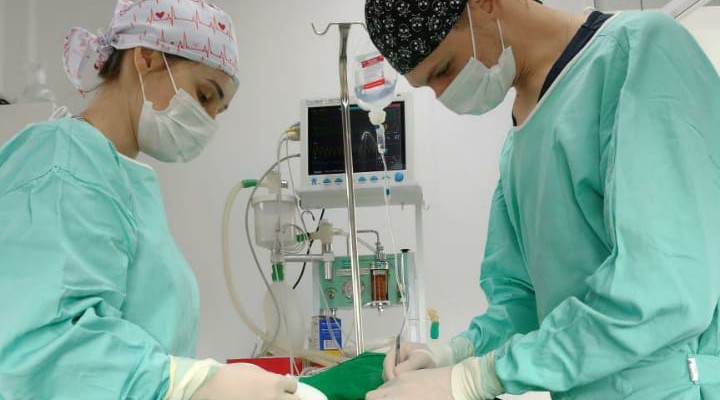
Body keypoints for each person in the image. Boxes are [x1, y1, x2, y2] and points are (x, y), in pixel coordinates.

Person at [363, 0, 720, 399]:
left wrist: (475, 379)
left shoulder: (639, 55)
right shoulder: (518, 144)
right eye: (428, 86)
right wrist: (452, 355)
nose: (443, 94)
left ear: (485, 4)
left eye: (443, 69)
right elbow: (523, 305)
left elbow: (662, 290)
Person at [0, 1, 299, 399]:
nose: (208, 121)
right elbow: (47, 348)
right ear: (146, 57)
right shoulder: (62, 161)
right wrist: (186, 384)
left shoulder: (123, 182)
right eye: (204, 95)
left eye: (219, 110)